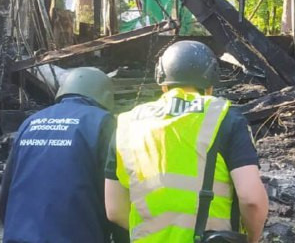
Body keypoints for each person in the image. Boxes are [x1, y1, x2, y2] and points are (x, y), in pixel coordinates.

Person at [105, 40, 268, 243]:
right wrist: (252, 239)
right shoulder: (224, 118)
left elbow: (114, 210)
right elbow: (251, 200)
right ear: (210, 85)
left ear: (163, 84)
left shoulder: (127, 123)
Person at [0, 67, 127, 243]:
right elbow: (113, 196)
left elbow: (6, 192)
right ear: (105, 96)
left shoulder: (31, 122)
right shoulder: (103, 123)